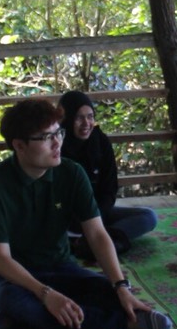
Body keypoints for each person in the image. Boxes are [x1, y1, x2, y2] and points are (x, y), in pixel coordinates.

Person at [0, 97, 171, 329]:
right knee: (18, 301)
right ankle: (125, 322)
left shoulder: (71, 173)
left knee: (108, 292)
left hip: (62, 268)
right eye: (46, 137)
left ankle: (17, 321)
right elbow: (1, 260)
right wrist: (45, 294)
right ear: (19, 145)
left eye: (59, 133)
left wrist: (121, 287)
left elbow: (97, 234)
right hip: (14, 279)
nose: (57, 143)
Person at [59, 90, 158, 258]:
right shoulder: (57, 145)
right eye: (79, 118)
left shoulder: (100, 141)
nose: (86, 123)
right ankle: (101, 242)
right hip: (66, 218)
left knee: (148, 217)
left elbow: (109, 187)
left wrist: (97, 216)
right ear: (67, 119)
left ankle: (90, 243)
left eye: (90, 117)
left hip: (98, 212)